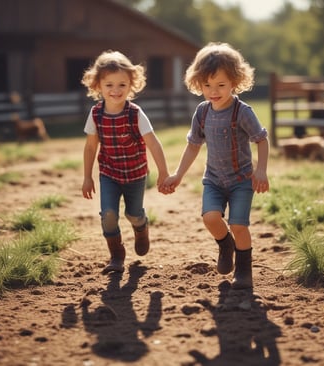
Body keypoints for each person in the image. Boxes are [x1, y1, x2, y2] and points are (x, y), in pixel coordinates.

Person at [160, 42, 269, 289]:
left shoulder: (242, 112)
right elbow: (193, 145)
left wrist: (260, 169)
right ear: (198, 83)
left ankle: (243, 273)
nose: (214, 91)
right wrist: (178, 174)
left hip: (242, 180)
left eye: (221, 85)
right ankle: (225, 244)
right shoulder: (202, 112)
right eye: (207, 85)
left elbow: (261, 139)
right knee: (210, 218)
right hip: (214, 181)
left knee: (239, 225)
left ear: (235, 81)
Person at [81, 50, 169, 274]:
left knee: (133, 213)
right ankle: (116, 255)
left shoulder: (135, 114)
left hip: (135, 174)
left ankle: (141, 228)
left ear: (131, 84)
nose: (115, 90)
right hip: (109, 173)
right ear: (98, 85)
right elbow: (91, 146)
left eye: (122, 84)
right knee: (108, 215)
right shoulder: (96, 114)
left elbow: (154, 143)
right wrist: (87, 177)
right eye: (109, 85)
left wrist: (163, 172)